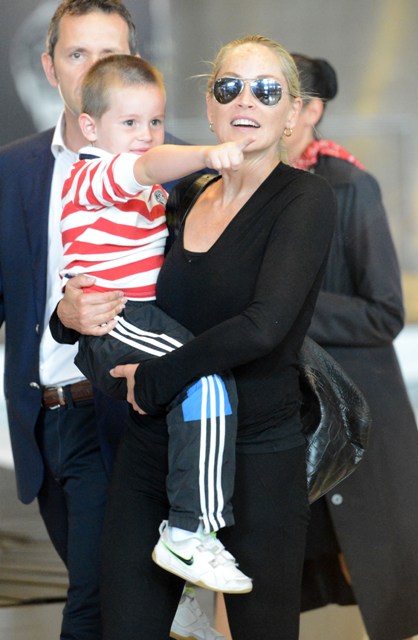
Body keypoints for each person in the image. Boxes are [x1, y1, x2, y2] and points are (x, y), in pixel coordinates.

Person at [54, 34, 336, 639]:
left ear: (292, 113)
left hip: (258, 458)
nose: (246, 101)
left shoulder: (304, 199)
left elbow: (264, 325)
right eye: (229, 87)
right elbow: (116, 280)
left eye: (267, 91)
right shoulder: (182, 192)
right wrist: (67, 314)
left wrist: (156, 378)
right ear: (210, 106)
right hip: (153, 451)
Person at [0, 1, 225, 638]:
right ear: (50, 68)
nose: (95, 67)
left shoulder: (179, 170)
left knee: (98, 604)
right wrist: (62, 315)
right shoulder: (11, 170)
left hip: (133, 410)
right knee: (104, 595)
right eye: (78, 54)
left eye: (112, 53)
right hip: (45, 419)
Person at [58, 52, 253, 594]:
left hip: (143, 318)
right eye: (129, 122)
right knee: (206, 380)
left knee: (194, 407)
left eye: (155, 121)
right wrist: (208, 153)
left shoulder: (144, 189)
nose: (145, 135)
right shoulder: (93, 174)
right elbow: (146, 166)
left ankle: (187, 586)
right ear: (90, 127)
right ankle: (189, 534)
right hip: (118, 318)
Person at [284, 54, 418, 640]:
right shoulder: (242, 187)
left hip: (350, 401)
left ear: (312, 109)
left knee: (379, 575)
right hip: (281, 402)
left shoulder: (349, 185)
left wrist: (284, 307)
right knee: (268, 576)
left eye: (278, 95)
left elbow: (385, 311)